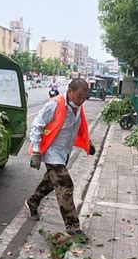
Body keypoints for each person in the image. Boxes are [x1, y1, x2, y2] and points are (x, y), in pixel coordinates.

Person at [24, 78, 96, 237]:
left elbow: (77, 128)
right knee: (66, 186)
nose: (82, 99)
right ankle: (73, 227)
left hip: (64, 153)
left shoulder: (77, 107)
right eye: (79, 96)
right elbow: (37, 126)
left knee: (49, 182)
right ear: (69, 91)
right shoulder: (54, 105)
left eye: (85, 97)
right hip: (51, 152)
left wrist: (88, 143)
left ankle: (32, 202)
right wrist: (36, 152)